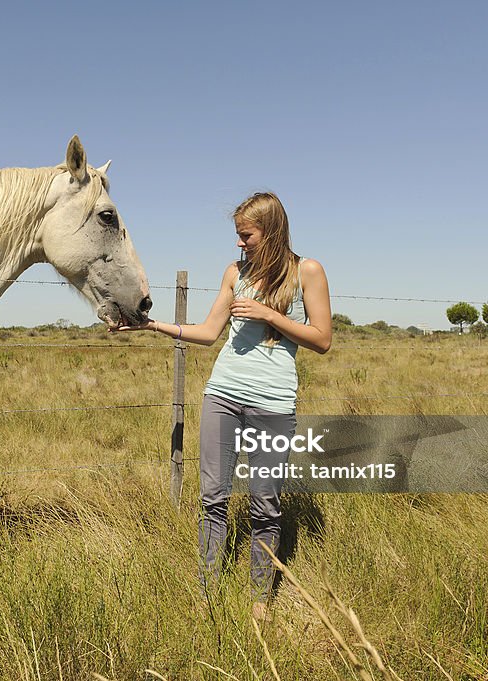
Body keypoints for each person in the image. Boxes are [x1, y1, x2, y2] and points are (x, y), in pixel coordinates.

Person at [116, 191, 331, 620]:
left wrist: (269, 315)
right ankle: (207, 592)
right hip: (223, 396)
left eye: (245, 235)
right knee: (212, 498)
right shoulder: (235, 272)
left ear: (269, 231)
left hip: (273, 404)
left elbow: (322, 340)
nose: (239, 243)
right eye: (237, 235)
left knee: (265, 503)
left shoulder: (306, 271)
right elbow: (210, 332)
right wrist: (151, 325)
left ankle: (260, 600)